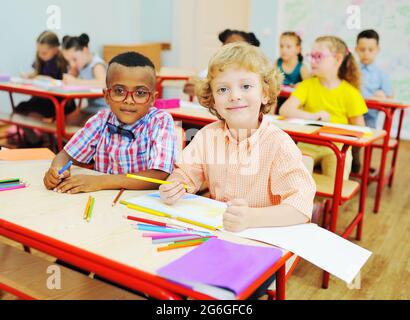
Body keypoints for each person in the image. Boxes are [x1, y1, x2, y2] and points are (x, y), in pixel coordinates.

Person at [160, 42, 316, 299]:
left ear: (265, 93)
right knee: (164, 280)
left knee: (224, 295)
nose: (234, 95)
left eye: (246, 86)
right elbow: (187, 173)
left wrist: (251, 218)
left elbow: (300, 208)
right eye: (223, 89)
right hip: (216, 234)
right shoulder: (207, 135)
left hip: (264, 243)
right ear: (212, 98)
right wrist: (177, 184)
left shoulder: (278, 143)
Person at [43, 51, 177, 193]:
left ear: (152, 99)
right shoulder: (101, 120)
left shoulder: (160, 121)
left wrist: (101, 181)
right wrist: (56, 170)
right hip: (103, 201)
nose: (129, 100)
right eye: (119, 91)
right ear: (106, 96)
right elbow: (66, 155)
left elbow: (159, 175)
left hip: (142, 201)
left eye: (140, 93)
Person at [280, 36, 368, 180]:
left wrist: (334, 127)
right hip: (307, 145)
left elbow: (361, 130)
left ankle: (324, 203)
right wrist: (314, 116)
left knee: (335, 185)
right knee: (296, 178)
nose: (312, 61)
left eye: (318, 56)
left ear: (338, 59)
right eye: (312, 56)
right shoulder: (307, 85)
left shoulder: (351, 93)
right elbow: (285, 110)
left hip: (337, 149)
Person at [61, 33, 108, 125]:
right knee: (65, 121)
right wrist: (71, 75)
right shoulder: (81, 65)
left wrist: (75, 82)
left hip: (104, 109)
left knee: (86, 126)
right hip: (90, 108)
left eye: (74, 59)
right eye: (69, 61)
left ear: (85, 51)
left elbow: (103, 83)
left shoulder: (96, 65)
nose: (72, 64)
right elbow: (71, 80)